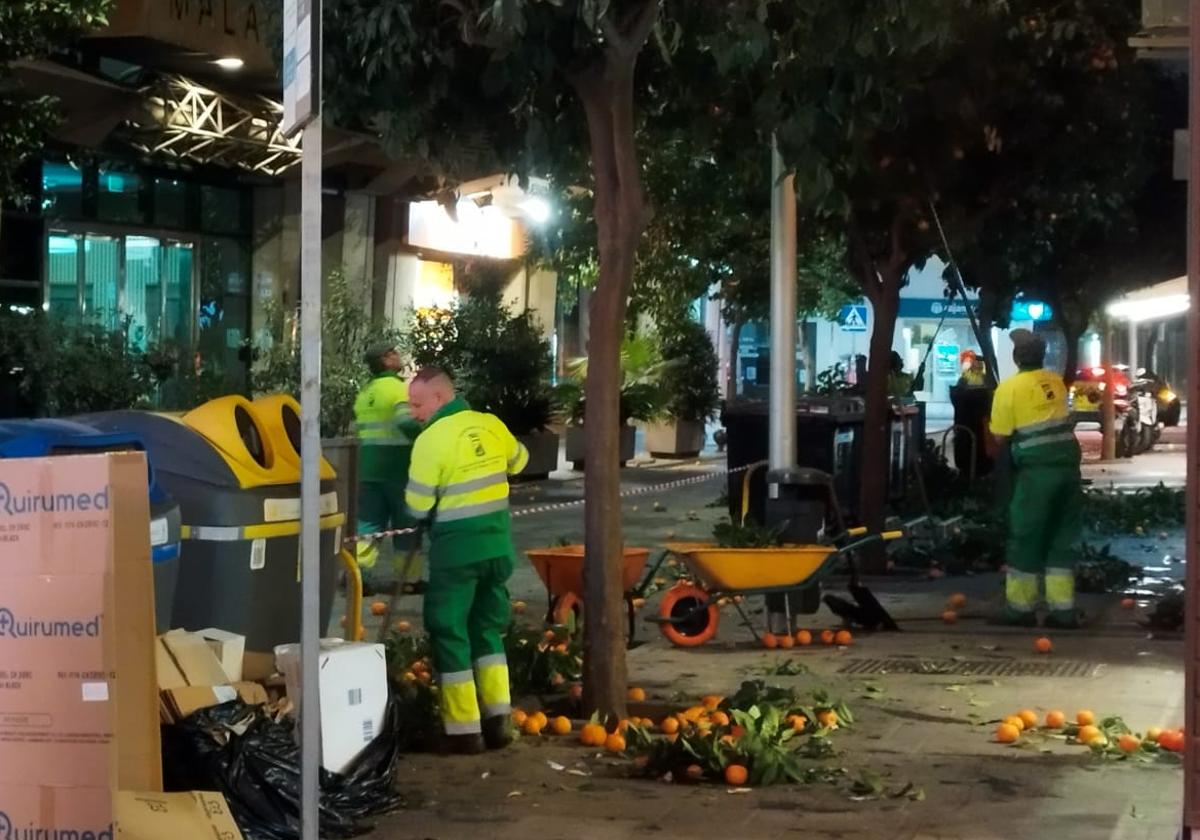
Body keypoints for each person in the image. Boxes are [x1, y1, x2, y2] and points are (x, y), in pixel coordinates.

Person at [405, 367, 529, 754]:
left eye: (418, 403)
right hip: (497, 550)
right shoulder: (491, 424)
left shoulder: (431, 440)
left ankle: (464, 731)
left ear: (440, 399)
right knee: (487, 631)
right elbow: (520, 461)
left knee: (450, 632)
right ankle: (500, 720)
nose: (413, 412)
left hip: (457, 555)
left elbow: (416, 505)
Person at [988, 329, 1082, 628]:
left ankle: (1020, 609)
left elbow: (998, 440)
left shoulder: (1009, 389)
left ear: (1016, 357)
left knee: (1026, 538)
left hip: (1037, 476)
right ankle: (1062, 611)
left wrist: (986, 420)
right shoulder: (1054, 380)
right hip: (1068, 471)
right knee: (1060, 539)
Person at [353, 342, 422, 593]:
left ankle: (359, 579)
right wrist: (428, 431)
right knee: (407, 524)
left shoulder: (365, 392)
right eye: (393, 353)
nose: (398, 356)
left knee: (369, 524)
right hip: (397, 466)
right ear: (385, 360)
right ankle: (408, 581)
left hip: (367, 467)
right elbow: (406, 423)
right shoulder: (397, 390)